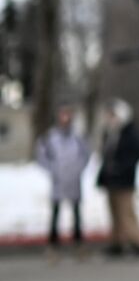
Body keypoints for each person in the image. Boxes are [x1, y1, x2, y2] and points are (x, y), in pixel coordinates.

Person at [36, 104, 91, 253]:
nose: (65, 118)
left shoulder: (78, 137)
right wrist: (53, 170)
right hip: (58, 180)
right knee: (55, 212)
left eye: (68, 115)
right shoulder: (50, 137)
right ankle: (53, 244)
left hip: (74, 180)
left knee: (76, 212)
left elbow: (86, 155)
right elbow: (41, 156)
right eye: (62, 115)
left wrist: (78, 170)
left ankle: (79, 243)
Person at [96, 99, 139, 257]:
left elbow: (136, 153)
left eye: (113, 115)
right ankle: (116, 242)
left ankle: (136, 241)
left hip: (124, 179)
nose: (110, 118)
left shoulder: (130, 133)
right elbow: (106, 155)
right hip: (112, 180)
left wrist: (122, 167)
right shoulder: (110, 133)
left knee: (126, 212)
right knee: (114, 212)